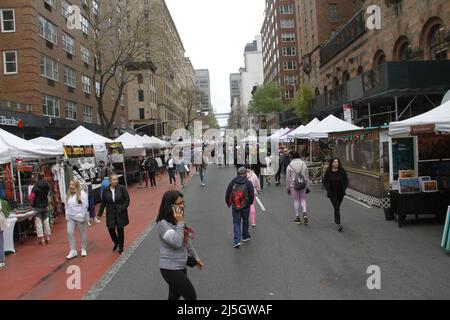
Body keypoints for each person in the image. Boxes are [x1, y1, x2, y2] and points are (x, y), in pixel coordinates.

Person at [157, 190, 204, 300]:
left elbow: (186, 241)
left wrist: (196, 258)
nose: (182, 206)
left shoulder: (176, 220)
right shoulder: (163, 224)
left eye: (183, 202)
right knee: (191, 296)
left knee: (174, 296)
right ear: (170, 205)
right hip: (169, 268)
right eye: (179, 203)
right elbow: (177, 242)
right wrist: (180, 222)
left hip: (181, 265)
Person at [95, 173, 130, 254]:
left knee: (120, 229)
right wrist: (99, 215)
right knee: (111, 229)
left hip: (120, 212)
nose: (116, 181)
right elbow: (103, 203)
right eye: (114, 179)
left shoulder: (122, 188)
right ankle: (116, 242)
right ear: (110, 181)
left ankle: (121, 247)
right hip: (110, 213)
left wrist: (122, 208)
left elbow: (127, 199)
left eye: (116, 179)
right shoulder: (105, 191)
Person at [225, 167, 255, 248]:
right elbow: (252, 195)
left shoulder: (233, 182)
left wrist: (228, 203)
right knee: (245, 221)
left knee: (236, 222)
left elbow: (228, 193)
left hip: (235, 206)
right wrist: (250, 203)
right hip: (245, 206)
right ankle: (245, 236)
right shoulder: (248, 183)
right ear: (245, 173)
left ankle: (237, 240)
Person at [322, 157, 349, 232]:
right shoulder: (328, 171)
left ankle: (335, 218)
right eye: (334, 162)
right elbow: (325, 181)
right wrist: (328, 189)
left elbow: (346, 180)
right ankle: (339, 224)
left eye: (337, 162)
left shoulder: (342, 171)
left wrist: (344, 187)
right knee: (337, 207)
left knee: (337, 206)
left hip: (340, 193)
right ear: (331, 163)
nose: (336, 163)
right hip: (332, 193)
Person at [65, 180, 89, 259]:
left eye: (73, 185)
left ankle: (83, 248)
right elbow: (66, 206)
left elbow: (85, 205)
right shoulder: (68, 194)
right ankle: (73, 250)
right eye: (70, 184)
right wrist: (67, 214)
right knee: (69, 233)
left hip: (80, 217)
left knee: (82, 233)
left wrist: (81, 215)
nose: (71, 186)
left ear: (76, 185)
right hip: (71, 217)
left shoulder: (82, 194)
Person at [286, 151, 310, 225]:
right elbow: (307, 176)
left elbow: (287, 178)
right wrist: (307, 186)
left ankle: (297, 217)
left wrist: (288, 188)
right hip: (303, 184)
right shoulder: (303, 164)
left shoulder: (290, 165)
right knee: (302, 199)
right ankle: (304, 212)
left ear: (291, 157)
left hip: (293, 185)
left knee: (296, 200)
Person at [31, 173, 51, 245]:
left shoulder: (35, 186)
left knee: (38, 222)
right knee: (46, 221)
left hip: (37, 206)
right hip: (45, 205)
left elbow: (31, 197)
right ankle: (48, 238)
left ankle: (42, 239)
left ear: (37, 178)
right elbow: (48, 195)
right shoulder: (47, 185)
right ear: (43, 177)